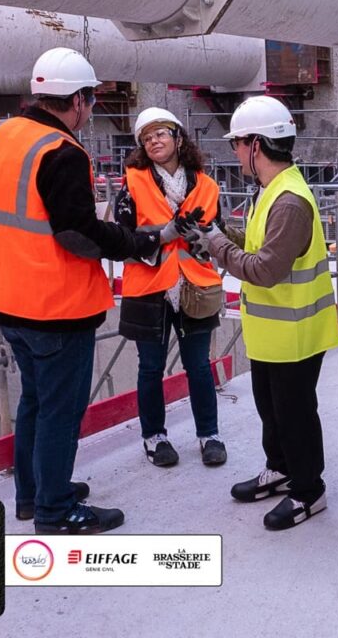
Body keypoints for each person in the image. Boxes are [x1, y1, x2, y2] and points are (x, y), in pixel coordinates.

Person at [0, 47, 159, 534]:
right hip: (53, 306)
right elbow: (77, 233)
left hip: (3, 298)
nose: (91, 110)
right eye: (91, 101)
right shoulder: (63, 153)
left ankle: (33, 494)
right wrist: (135, 242)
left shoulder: (0, 137)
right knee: (60, 409)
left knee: (34, 400)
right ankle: (56, 511)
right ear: (77, 100)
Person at [201, 96, 338, 530]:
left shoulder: (289, 201)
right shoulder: (271, 190)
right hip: (273, 333)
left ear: (256, 145)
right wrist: (220, 232)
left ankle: (308, 491)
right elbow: (261, 242)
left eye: (238, 143)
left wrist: (215, 245)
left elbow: (265, 269)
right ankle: (280, 468)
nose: (236, 152)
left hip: (295, 335)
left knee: (295, 413)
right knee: (271, 408)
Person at [113, 107, 227, 468]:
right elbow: (121, 242)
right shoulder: (131, 185)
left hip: (195, 285)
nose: (154, 141)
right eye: (147, 138)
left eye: (160, 134)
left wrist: (203, 240)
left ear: (178, 138)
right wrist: (163, 235)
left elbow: (217, 231)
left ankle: (209, 434)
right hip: (150, 289)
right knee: (150, 367)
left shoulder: (207, 185)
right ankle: (155, 437)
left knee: (198, 365)